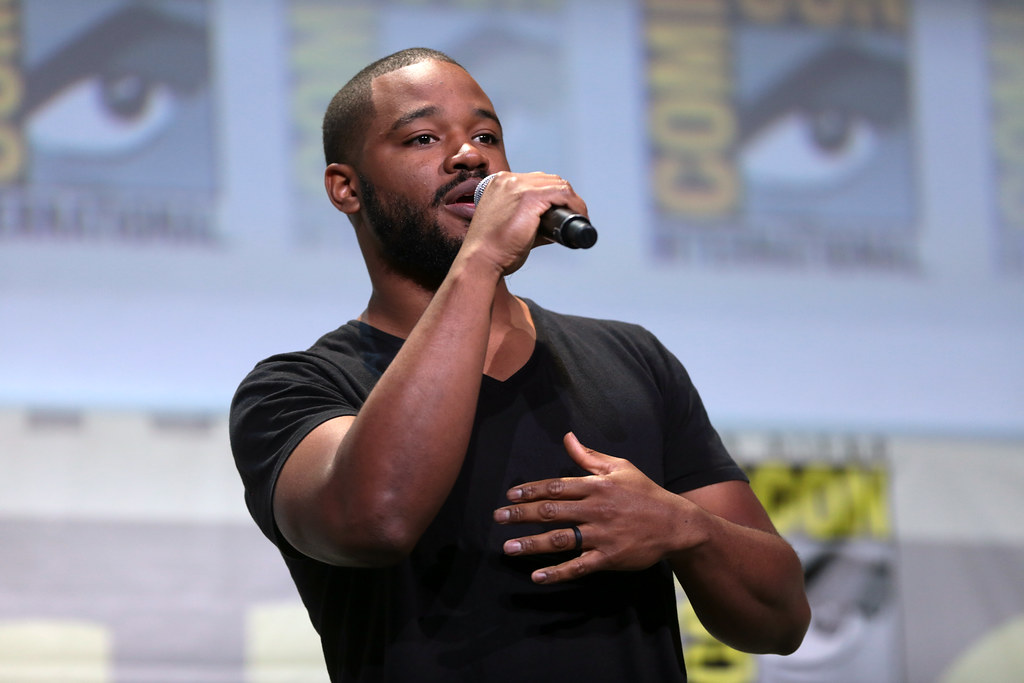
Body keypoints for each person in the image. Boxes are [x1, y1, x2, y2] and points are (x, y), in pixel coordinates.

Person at [230, 47, 810, 682]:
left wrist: (685, 528)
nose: (469, 157)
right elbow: (377, 517)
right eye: (424, 137)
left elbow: (780, 621)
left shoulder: (632, 358)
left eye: (487, 136)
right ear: (346, 188)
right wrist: (479, 262)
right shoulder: (294, 389)